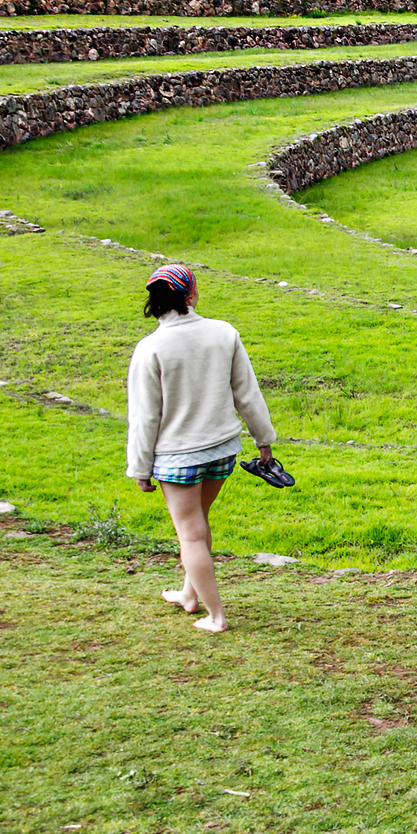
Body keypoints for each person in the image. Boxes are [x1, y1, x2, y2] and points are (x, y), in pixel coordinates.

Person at [126, 263, 277, 633]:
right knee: (198, 522)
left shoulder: (150, 349)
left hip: (177, 457)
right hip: (222, 450)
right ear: (190, 294)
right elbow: (247, 394)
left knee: (190, 533)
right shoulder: (224, 333)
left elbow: (145, 417)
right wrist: (264, 441)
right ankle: (188, 595)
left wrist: (139, 468)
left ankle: (216, 616)